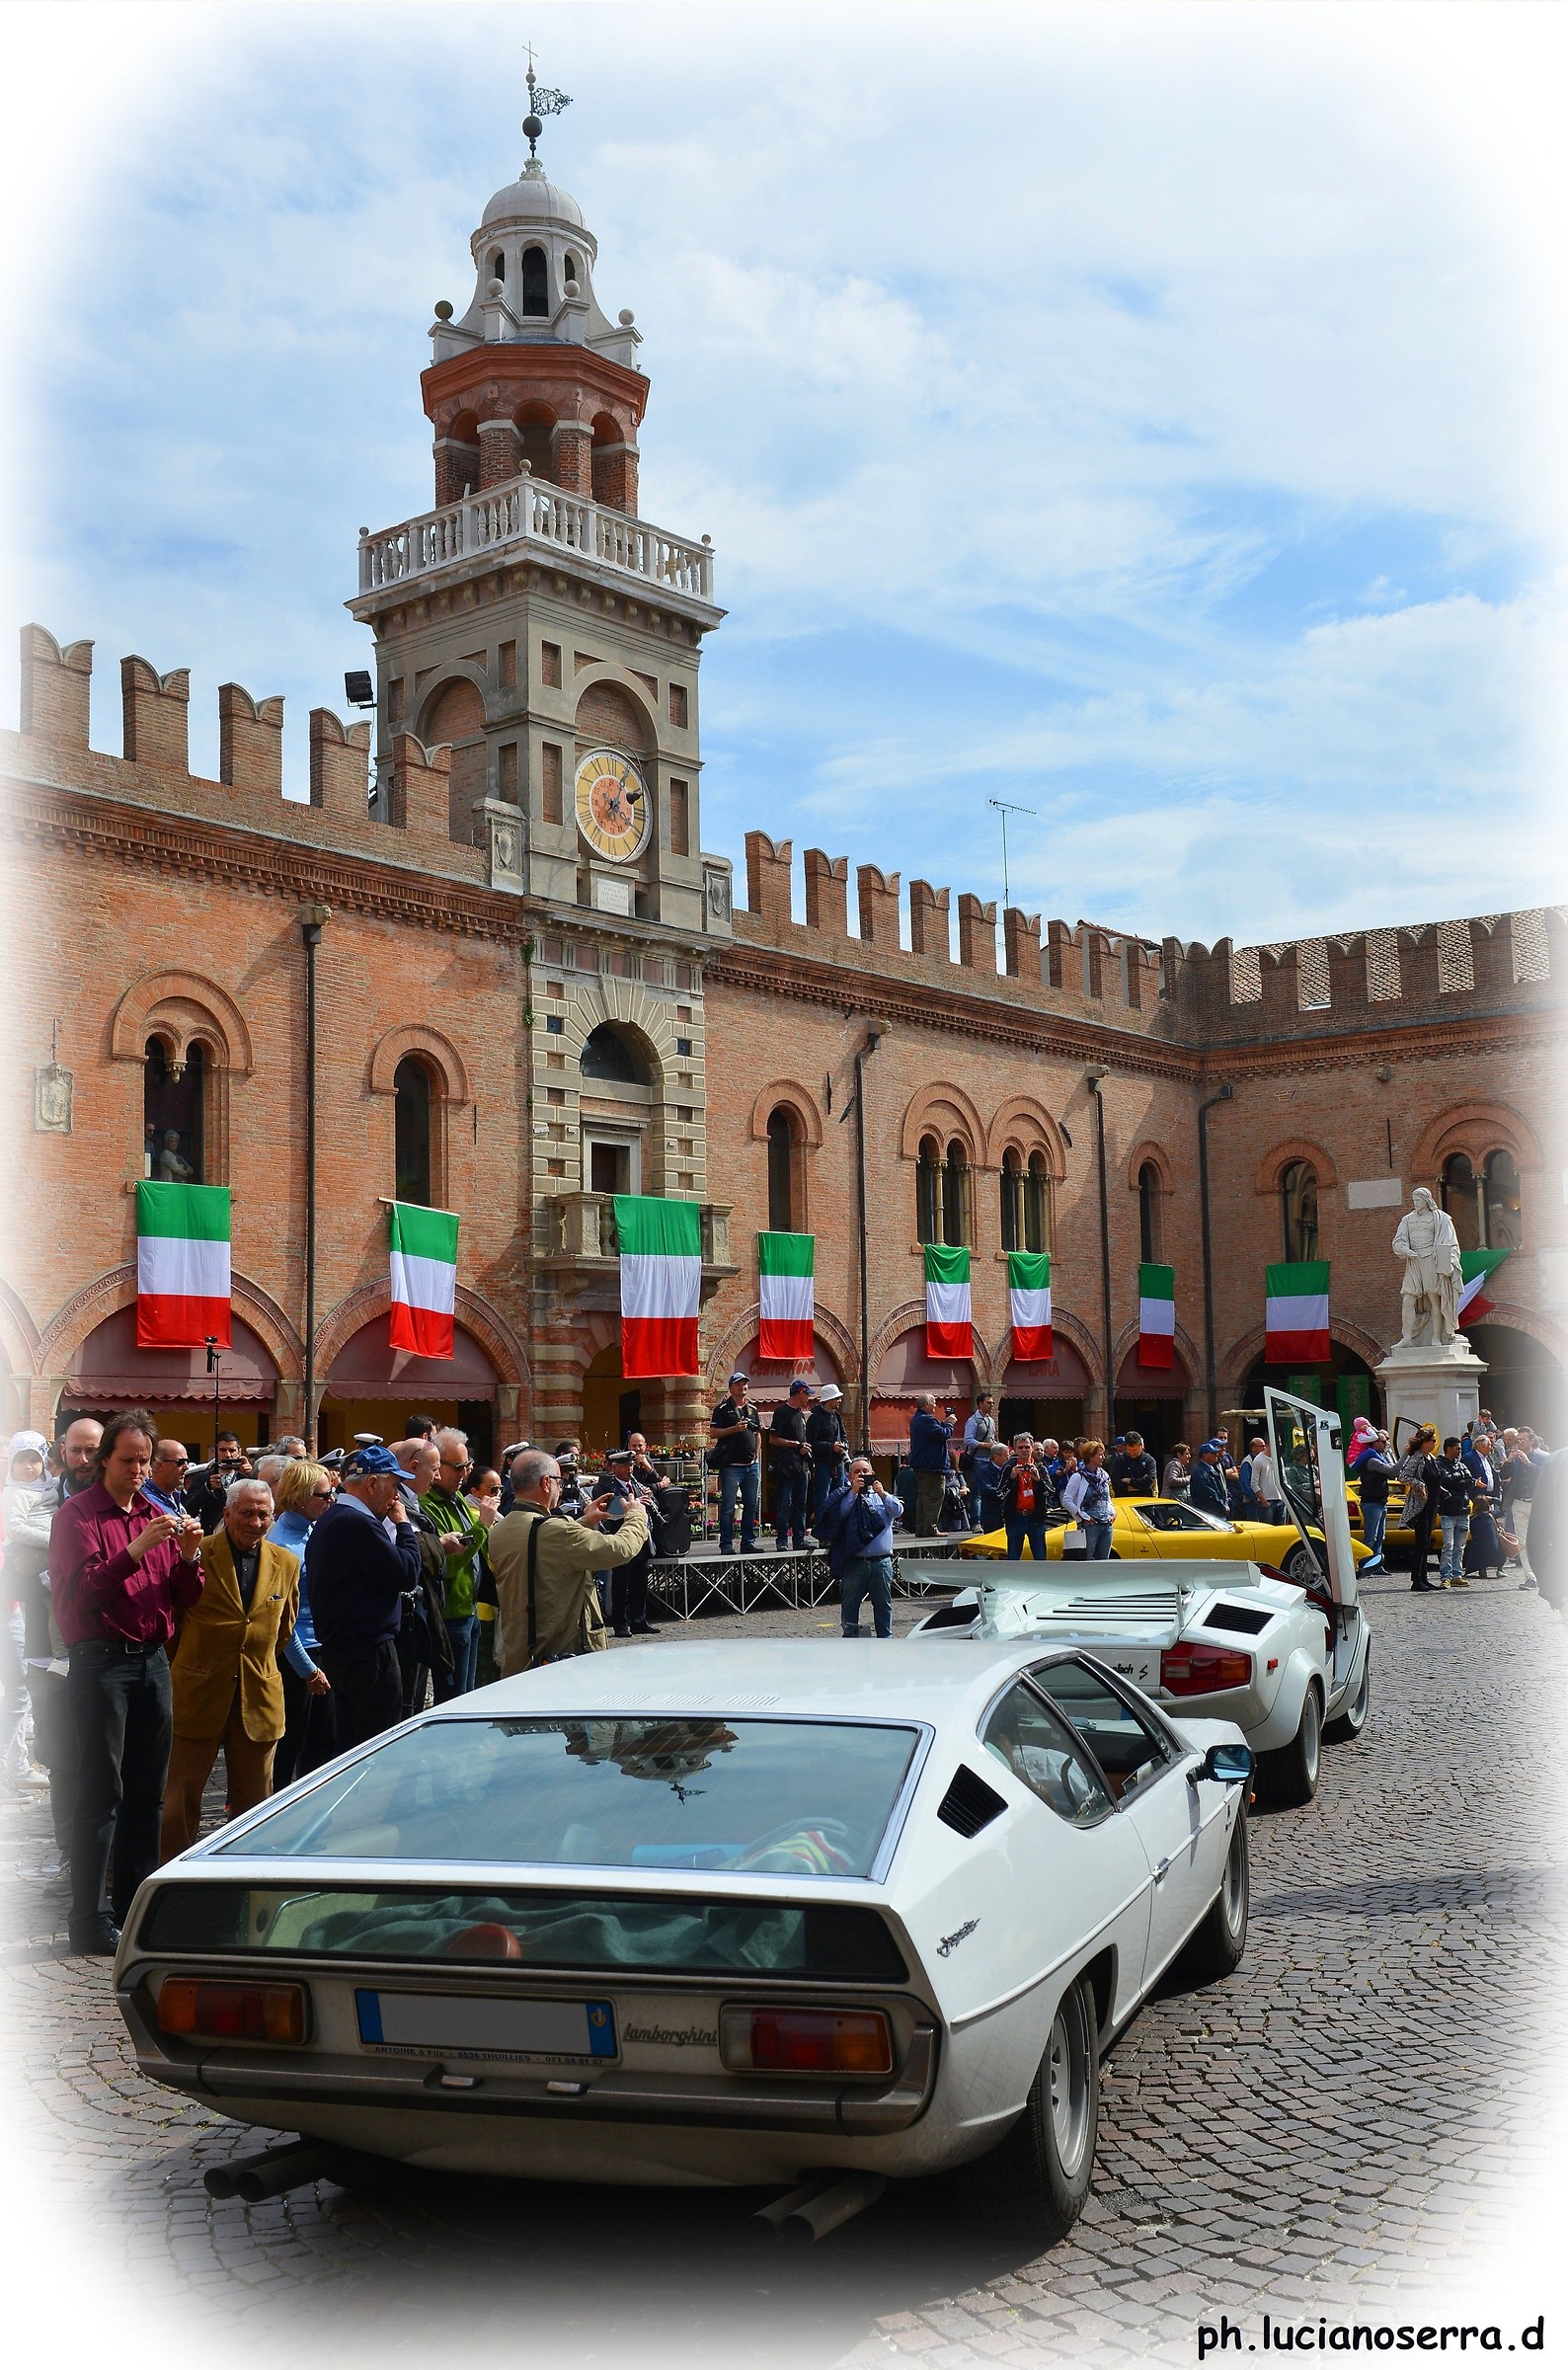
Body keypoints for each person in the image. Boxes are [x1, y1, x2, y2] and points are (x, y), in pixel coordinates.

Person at [49, 1408, 205, 1953]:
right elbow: (83, 1590)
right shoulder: (78, 1515)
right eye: (129, 1460)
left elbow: (185, 1596)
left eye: (146, 1460)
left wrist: (187, 1558)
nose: (138, 1469)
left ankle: (134, 1910)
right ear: (103, 1460)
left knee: (148, 1793)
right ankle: (88, 1921)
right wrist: (135, 1551)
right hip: (100, 1662)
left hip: (151, 1660)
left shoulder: (155, 1511)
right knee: (102, 1791)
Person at [161, 1478, 299, 1858]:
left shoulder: (286, 1563)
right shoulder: (196, 1554)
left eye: (263, 1515)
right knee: (179, 1799)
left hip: (257, 1697)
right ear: (226, 1514)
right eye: (246, 1513)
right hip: (197, 1692)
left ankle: (244, 1875)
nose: (255, 1522)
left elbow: (284, 1629)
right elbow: (172, 1624)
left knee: (255, 1804)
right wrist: (191, 1666)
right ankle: (173, 1877)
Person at [303, 1445, 424, 1751]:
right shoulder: (356, 1522)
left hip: (347, 1654)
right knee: (374, 1748)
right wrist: (404, 1526)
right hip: (368, 1657)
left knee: (352, 1742)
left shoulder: (335, 1518)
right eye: (394, 1486)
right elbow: (406, 1572)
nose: (396, 1496)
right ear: (372, 1484)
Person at [490, 1449, 648, 1673]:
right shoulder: (556, 1531)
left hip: (519, 1653)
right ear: (546, 1483)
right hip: (562, 1659)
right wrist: (637, 1515)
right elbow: (619, 1549)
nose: (561, 1487)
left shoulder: (500, 1530)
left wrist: (584, 1522)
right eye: (559, 1481)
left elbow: (542, 1550)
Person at [268, 1459, 336, 1786]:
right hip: (299, 1657)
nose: (331, 1501)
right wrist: (307, 1669)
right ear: (299, 1497)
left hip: (320, 1646)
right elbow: (283, 1621)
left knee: (321, 1745)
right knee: (292, 1746)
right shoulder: (283, 1545)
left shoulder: (312, 1527)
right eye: (324, 1495)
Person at [421, 1427, 492, 1698]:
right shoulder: (429, 1504)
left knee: (468, 1693)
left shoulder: (456, 1497)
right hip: (450, 1615)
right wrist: (482, 1526)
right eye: (459, 1467)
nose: (465, 1474)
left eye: (468, 1465)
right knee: (453, 1695)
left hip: (469, 1608)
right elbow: (446, 1565)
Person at [817, 1458, 899, 1638]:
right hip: (855, 1563)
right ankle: (850, 1644)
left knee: (884, 1606)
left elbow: (898, 1511)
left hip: (881, 1562)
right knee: (850, 1607)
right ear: (849, 1476)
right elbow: (839, 1515)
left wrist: (884, 1495)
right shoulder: (844, 1495)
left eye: (865, 1471)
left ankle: (886, 1642)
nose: (862, 1474)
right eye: (857, 1472)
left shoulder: (881, 1496)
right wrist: (853, 1493)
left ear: (872, 1473)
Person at [591, 1442, 662, 1637]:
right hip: (621, 1538)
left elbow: (655, 1502)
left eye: (630, 1465)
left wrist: (648, 1499)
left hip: (641, 1539)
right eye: (624, 1466)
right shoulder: (605, 1486)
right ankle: (620, 1624)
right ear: (614, 1467)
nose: (629, 1469)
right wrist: (636, 1505)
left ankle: (639, 1620)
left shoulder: (637, 1484)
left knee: (640, 1582)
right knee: (621, 1583)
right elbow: (611, 1512)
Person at [708, 1373, 761, 1555]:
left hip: (751, 1465)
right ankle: (726, 1544)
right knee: (728, 1507)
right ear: (731, 1388)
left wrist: (756, 1455)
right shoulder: (722, 1409)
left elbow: (757, 1434)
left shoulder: (753, 1410)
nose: (743, 1387)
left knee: (751, 1505)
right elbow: (713, 1433)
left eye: (745, 1384)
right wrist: (733, 1429)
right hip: (731, 1466)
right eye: (739, 1384)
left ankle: (748, 1542)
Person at [768, 1380, 815, 1550]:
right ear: (800, 1393)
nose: (809, 1398)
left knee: (800, 1504)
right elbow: (773, 1439)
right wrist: (796, 1445)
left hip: (801, 1465)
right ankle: (781, 1540)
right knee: (785, 1503)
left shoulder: (801, 1413)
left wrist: (808, 1464)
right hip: (786, 1466)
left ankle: (799, 1539)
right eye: (808, 1394)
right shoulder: (782, 1412)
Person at [1348, 1423, 1396, 1571]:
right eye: (1384, 1441)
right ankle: (1365, 1565)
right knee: (1371, 1537)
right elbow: (1393, 1471)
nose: (1387, 1443)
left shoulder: (1380, 1456)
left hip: (1381, 1500)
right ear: (1375, 1442)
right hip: (1372, 1501)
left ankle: (1376, 1565)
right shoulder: (1371, 1459)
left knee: (1380, 1537)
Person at [908, 1392, 956, 1538]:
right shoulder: (926, 1420)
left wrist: (943, 1423)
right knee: (935, 1496)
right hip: (932, 1466)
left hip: (922, 1465)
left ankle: (921, 1528)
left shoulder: (918, 1419)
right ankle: (930, 1528)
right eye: (934, 1402)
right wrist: (949, 1424)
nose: (936, 1405)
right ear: (926, 1404)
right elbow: (942, 1434)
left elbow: (934, 1433)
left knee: (924, 1497)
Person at [1431, 1438, 1474, 1589]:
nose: (1460, 1451)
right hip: (1448, 1510)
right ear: (1449, 1448)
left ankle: (1457, 1574)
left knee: (1460, 1546)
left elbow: (1470, 1481)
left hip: (1463, 1509)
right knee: (1448, 1546)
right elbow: (1444, 1481)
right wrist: (1459, 1476)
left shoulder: (1461, 1464)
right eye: (1457, 1448)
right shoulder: (1439, 1464)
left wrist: (1457, 1478)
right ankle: (1445, 1576)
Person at [806, 1384, 849, 1532]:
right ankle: (822, 1531)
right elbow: (811, 1442)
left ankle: (835, 1530)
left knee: (839, 1497)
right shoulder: (814, 1418)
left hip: (838, 1463)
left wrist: (844, 1444)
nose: (839, 1401)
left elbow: (843, 1434)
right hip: (823, 1463)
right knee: (822, 1499)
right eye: (837, 1398)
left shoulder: (837, 1416)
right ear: (829, 1399)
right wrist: (830, 1446)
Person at [1063, 1439, 1115, 1559]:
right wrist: (1082, 1516)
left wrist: (1113, 1512)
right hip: (1089, 1525)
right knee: (1086, 1559)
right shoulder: (1078, 1476)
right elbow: (1067, 1500)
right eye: (1100, 1454)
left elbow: (1108, 1498)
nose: (1103, 1457)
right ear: (1091, 1456)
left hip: (1106, 1523)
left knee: (1103, 1559)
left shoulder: (1104, 1476)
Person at [187, 1432, 248, 1533]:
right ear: (215, 1452)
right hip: (210, 1536)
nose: (227, 1455)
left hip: (239, 1535)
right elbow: (189, 1511)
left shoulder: (245, 1478)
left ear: (239, 1452)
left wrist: (252, 1475)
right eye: (223, 1450)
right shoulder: (202, 1478)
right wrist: (207, 1488)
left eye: (232, 1450)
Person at [960, 1393, 998, 1502]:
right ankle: (976, 1519)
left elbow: (992, 1437)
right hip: (977, 1460)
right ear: (980, 1404)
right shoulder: (973, 1420)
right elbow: (968, 1440)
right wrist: (986, 1445)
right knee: (977, 1492)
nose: (992, 1405)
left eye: (993, 1403)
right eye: (989, 1403)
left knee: (988, 1490)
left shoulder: (991, 1420)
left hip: (989, 1460)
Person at [141, 1439, 193, 1519]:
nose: (186, 1467)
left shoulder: (175, 1496)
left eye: (187, 1461)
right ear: (158, 1464)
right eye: (180, 1462)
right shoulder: (145, 1501)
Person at [1188, 1439, 1231, 1522]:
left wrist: (1226, 1502)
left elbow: (1221, 1488)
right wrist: (1222, 1506)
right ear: (1205, 1455)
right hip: (1209, 1515)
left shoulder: (1210, 1469)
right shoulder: (1200, 1472)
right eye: (1213, 1453)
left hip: (1216, 1513)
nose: (1216, 1455)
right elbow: (1208, 1495)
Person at [975, 1439, 1011, 1532]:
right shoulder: (984, 1471)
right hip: (992, 1516)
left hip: (1008, 1515)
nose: (1008, 1459)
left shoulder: (1010, 1470)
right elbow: (986, 1490)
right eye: (1006, 1456)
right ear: (996, 1456)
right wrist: (1006, 1490)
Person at [1246, 1437, 1285, 1525]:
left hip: (1280, 1500)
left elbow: (1284, 1479)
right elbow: (1254, 1483)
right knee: (1267, 1530)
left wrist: (1285, 1498)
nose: (1280, 1444)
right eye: (1278, 1442)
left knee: (1281, 1531)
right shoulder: (1258, 1460)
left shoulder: (1279, 1459)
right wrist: (1263, 1501)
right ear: (1270, 1442)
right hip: (1267, 1501)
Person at [1108, 1431, 1157, 1497]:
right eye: (1129, 1450)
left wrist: (1130, 1481)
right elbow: (1115, 1483)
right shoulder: (1119, 1460)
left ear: (1141, 1446)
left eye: (1135, 1450)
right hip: (1124, 1500)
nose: (1132, 1453)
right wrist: (1134, 1486)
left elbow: (1148, 1482)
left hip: (1144, 1499)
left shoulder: (1149, 1460)